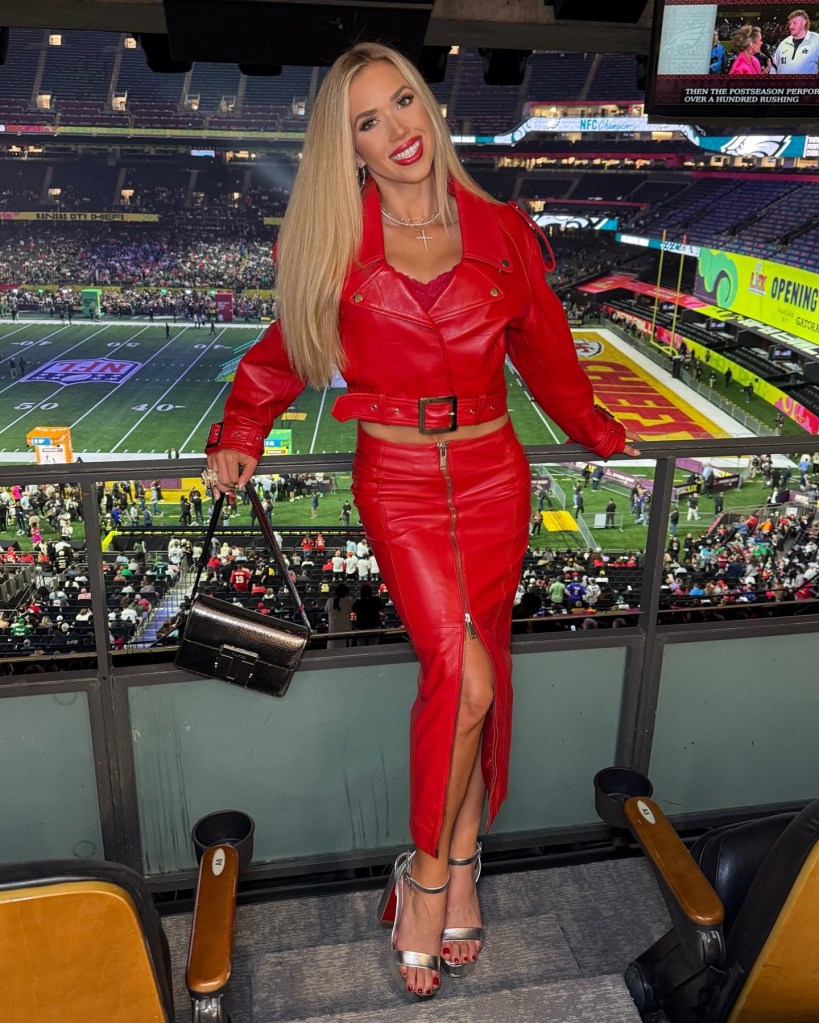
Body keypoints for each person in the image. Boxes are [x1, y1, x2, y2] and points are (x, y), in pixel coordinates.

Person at [203, 42, 638, 1001]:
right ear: (347, 147)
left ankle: (462, 860)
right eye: (369, 119)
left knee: (486, 679)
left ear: (428, 109)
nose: (398, 129)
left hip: (493, 474)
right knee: (463, 674)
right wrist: (241, 426)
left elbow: (548, 355)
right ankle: (428, 877)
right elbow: (281, 356)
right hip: (398, 483)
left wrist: (596, 428)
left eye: (404, 101)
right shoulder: (331, 242)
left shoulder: (502, 230)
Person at [771, 9, 819, 74]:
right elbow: (774, 67)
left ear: (804, 23)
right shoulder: (783, 43)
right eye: (790, 23)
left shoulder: (816, 40)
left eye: (795, 23)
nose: (791, 26)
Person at [325, 582, 353, 648]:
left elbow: (326, 610)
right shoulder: (349, 600)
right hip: (346, 630)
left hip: (333, 630)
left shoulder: (330, 601)